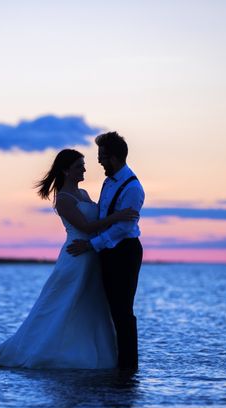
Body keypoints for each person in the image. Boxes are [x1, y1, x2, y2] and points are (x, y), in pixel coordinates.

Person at [0, 148, 138, 369]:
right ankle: (48, 351)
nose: (84, 169)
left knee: (90, 306)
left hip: (91, 254)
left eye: (84, 165)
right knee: (62, 304)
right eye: (79, 166)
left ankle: (95, 354)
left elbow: (96, 222)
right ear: (66, 170)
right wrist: (118, 216)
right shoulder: (64, 199)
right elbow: (85, 226)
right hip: (76, 256)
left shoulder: (84, 195)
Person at [67, 132, 144, 371]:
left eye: (102, 156)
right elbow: (104, 214)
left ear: (115, 157)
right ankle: (112, 361)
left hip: (125, 252)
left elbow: (123, 227)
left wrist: (91, 245)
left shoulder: (133, 188)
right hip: (107, 252)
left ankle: (128, 367)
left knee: (123, 310)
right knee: (109, 308)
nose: (99, 161)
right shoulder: (108, 181)